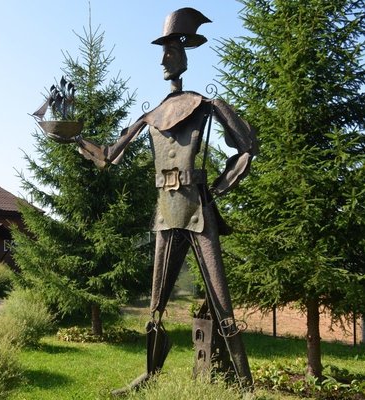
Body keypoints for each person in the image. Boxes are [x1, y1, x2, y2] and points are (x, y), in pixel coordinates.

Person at [61, 7, 258, 394]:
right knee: (156, 304)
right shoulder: (150, 116)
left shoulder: (206, 105)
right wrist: (75, 138)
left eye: (170, 52)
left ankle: (245, 385)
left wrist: (219, 186)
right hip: (166, 213)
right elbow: (108, 156)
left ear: (183, 55)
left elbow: (247, 147)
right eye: (162, 53)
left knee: (222, 303)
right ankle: (150, 374)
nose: (163, 60)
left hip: (198, 211)